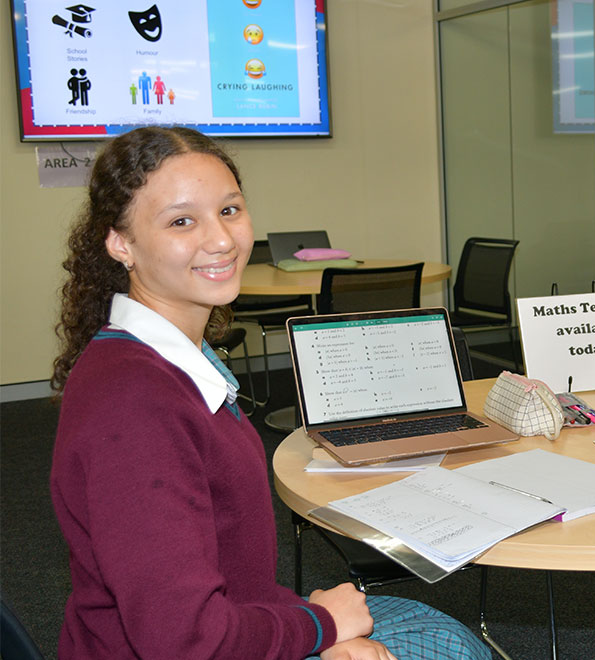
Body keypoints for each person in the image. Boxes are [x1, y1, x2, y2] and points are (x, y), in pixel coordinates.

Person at [50, 126, 491, 660]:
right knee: (451, 647)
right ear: (121, 243)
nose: (220, 240)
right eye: (182, 221)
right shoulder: (134, 403)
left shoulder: (164, 362)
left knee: (437, 627)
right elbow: (184, 641)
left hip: (235, 619)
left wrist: (314, 625)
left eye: (230, 210)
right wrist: (321, 627)